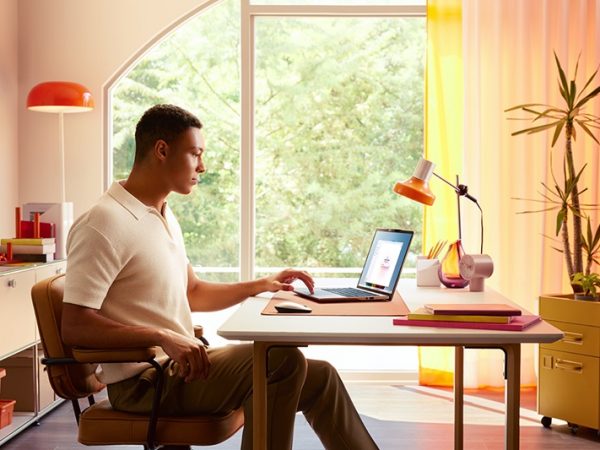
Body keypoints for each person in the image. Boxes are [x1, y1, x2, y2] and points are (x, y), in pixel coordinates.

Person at [61, 104, 379, 450]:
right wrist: (163, 336)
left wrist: (261, 284)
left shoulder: (161, 215)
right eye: (195, 153)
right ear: (162, 151)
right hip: (145, 382)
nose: (203, 166)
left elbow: (193, 292)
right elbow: (75, 325)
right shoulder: (104, 222)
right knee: (281, 360)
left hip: (180, 367)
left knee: (321, 378)